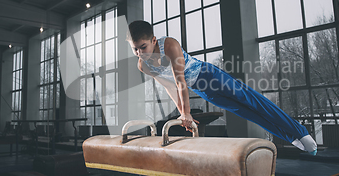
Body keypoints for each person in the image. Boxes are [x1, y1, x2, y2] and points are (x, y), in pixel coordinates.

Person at [127, 20, 317, 155]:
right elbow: (169, 87)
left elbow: (180, 81)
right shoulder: (143, 66)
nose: (139, 53)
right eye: (134, 49)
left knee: (252, 101)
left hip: (209, 75)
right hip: (201, 89)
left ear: (153, 40)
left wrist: (186, 113)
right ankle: (290, 137)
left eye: (142, 47)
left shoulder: (169, 45)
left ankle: (300, 132)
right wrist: (183, 115)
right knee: (245, 112)